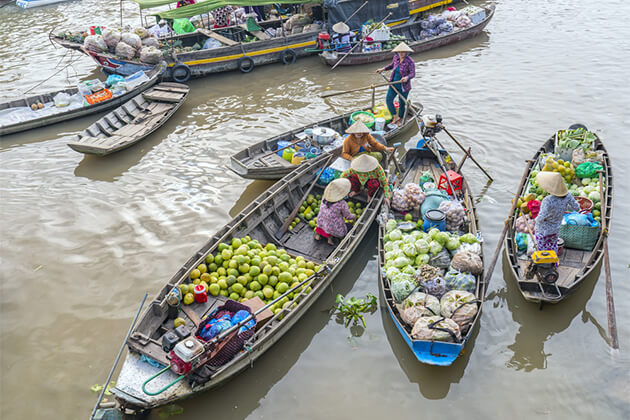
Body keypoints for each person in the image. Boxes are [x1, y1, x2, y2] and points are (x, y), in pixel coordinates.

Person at [533, 172, 579, 254]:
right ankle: (554, 262)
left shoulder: (547, 200)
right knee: (553, 246)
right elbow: (576, 208)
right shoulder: (568, 196)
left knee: (542, 249)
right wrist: (564, 206)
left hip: (543, 230)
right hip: (556, 228)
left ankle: (544, 263)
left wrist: (535, 221)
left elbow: (541, 217)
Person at [376, 42, 415, 126]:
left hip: (404, 86)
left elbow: (412, 74)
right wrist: (383, 69)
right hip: (393, 83)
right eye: (399, 52)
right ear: (396, 52)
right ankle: (395, 117)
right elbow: (392, 65)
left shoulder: (410, 61)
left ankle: (400, 118)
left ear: (406, 52)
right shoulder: (395, 58)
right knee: (389, 100)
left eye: (403, 52)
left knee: (402, 103)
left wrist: (407, 78)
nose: (401, 54)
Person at [314, 178, 356, 245]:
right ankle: (330, 239)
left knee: (325, 222)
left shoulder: (324, 198)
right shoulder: (342, 203)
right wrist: (354, 217)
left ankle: (319, 235)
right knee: (350, 227)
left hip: (321, 222)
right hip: (334, 227)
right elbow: (348, 216)